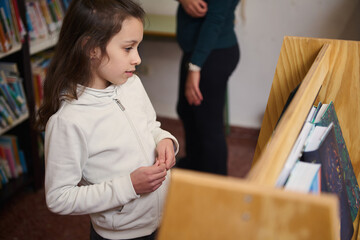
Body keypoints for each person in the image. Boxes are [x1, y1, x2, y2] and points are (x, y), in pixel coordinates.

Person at [35, 1, 179, 239]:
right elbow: (59, 198)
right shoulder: (69, 121)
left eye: (138, 47)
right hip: (121, 234)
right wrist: (129, 187)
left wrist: (164, 140)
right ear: (91, 48)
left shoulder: (132, 84)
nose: (138, 59)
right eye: (128, 48)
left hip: (163, 218)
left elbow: (151, 126)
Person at [176, 0, 240, 175]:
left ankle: (215, 185)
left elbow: (215, 20)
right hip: (196, 52)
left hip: (212, 53)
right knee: (186, 110)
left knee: (209, 125)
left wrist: (195, 67)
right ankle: (194, 166)